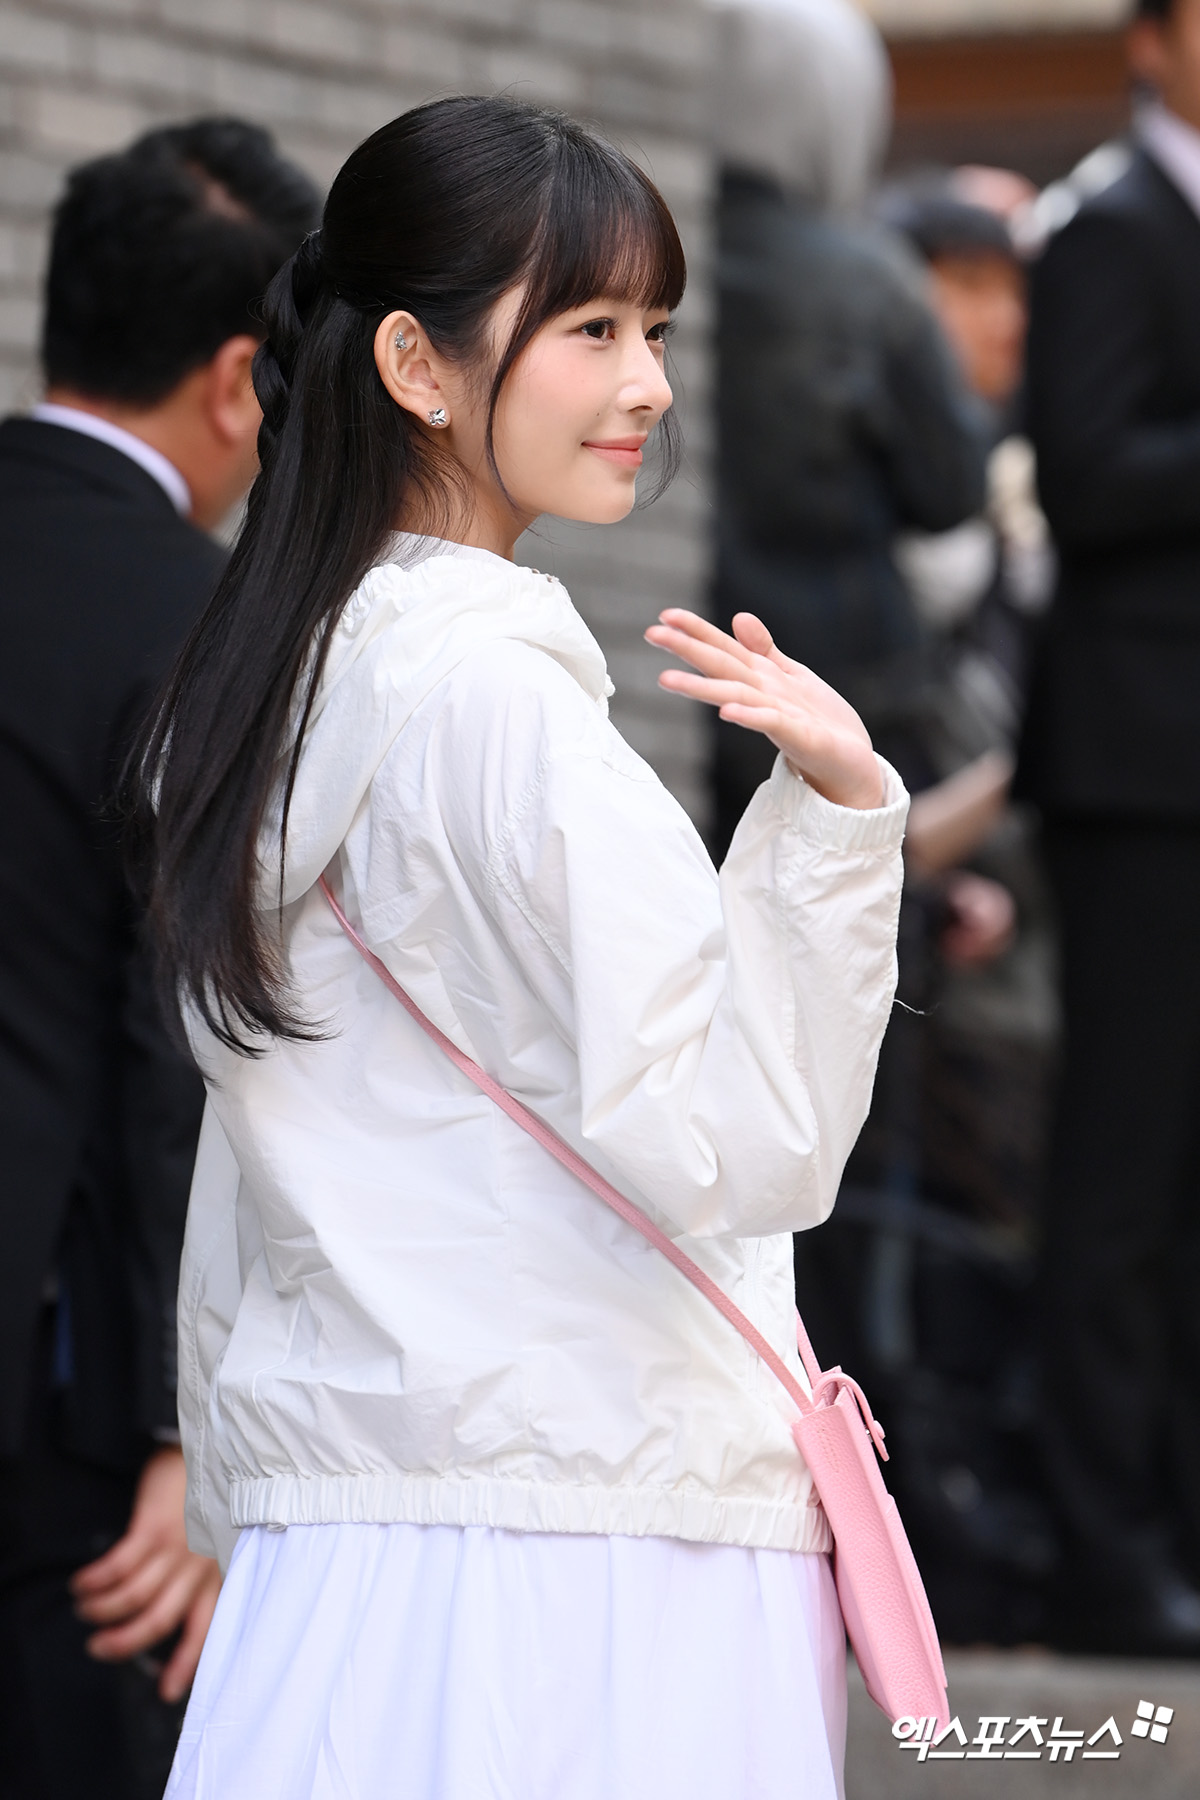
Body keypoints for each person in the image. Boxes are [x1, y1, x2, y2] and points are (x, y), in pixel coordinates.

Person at [131, 96, 908, 1799]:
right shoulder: (499, 708)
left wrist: (230, 1473)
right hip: (596, 1535)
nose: (650, 386)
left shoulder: (264, 684)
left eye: (655, 331)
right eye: (592, 329)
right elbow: (742, 1140)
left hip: (351, 1534)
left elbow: (246, 1166)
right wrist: (843, 817)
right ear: (416, 364)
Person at [0, 118, 318, 1799]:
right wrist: (188, 1432)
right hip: (61, 1413)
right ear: (234, 385)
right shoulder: (206, 628)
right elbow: (184, 1044)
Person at [1015, 0, 1200, 1655]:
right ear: (1153, 37)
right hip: (1144, 776)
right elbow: (1082, 474)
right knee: (1126, 1172)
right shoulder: (1107, 227)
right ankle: (1105, 1552)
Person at [706, 0, 988, 859]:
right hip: (849, 684)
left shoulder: (639, 251)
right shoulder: (866, 280)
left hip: (681, 673)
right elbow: (952, 489)